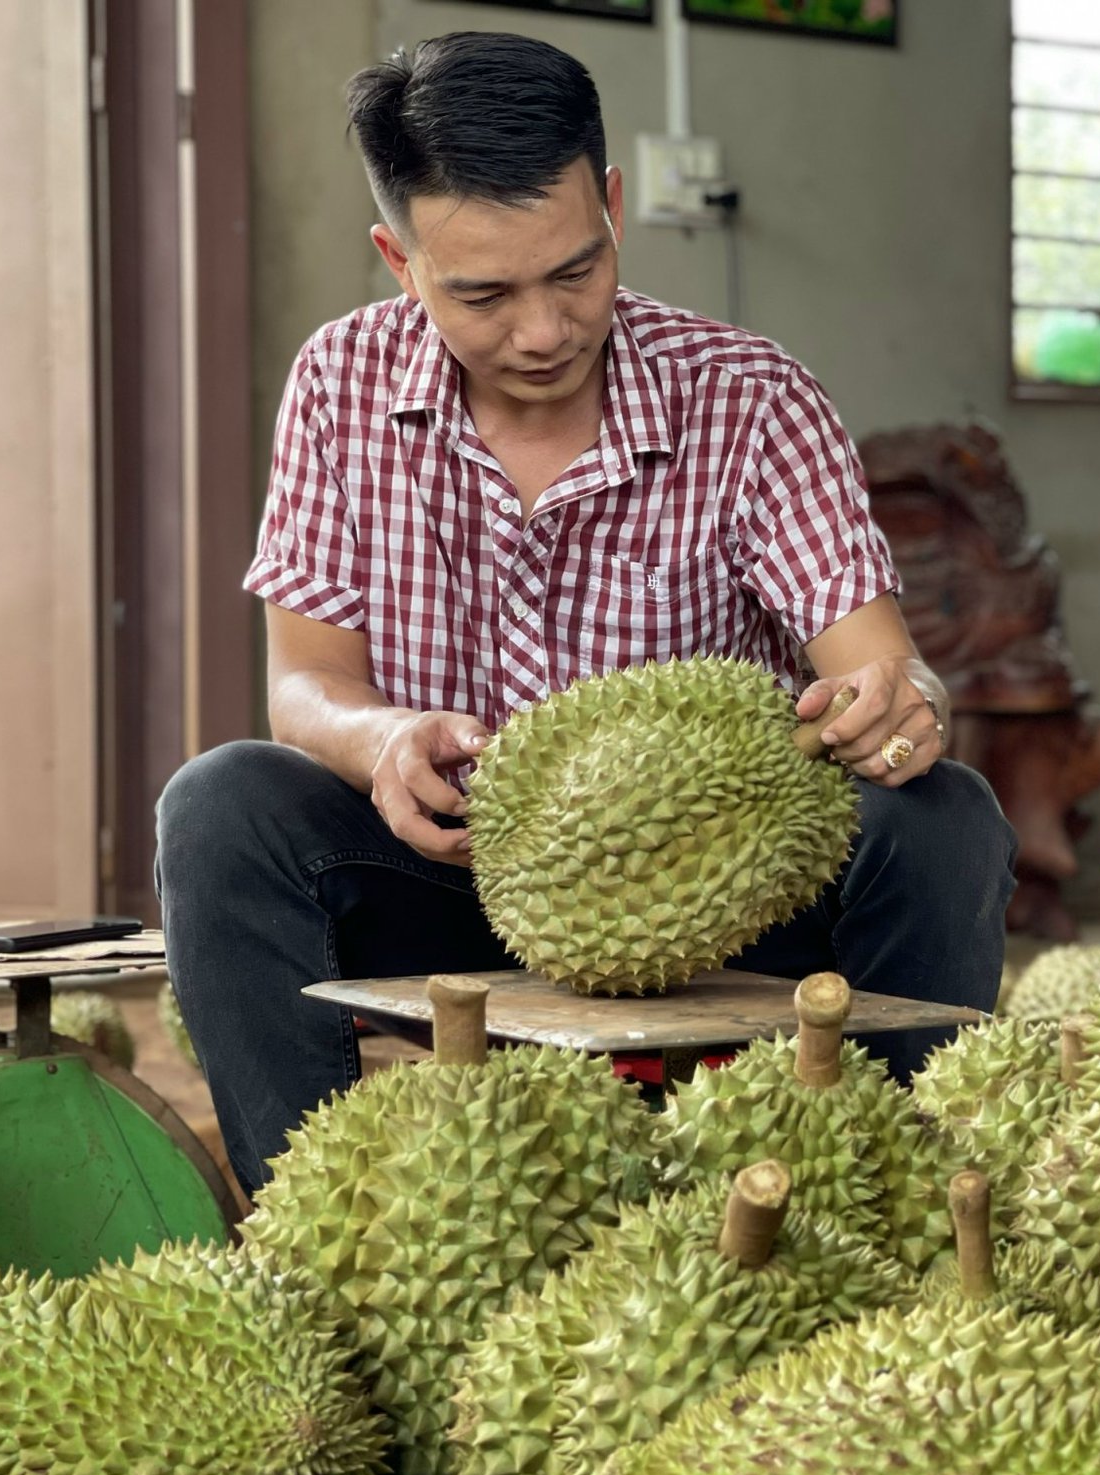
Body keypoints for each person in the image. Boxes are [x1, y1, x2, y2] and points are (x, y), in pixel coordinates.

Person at [156, 30, 1016, 1196]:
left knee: (942, 818)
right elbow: (303, 685)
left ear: (610, 207)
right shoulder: (338, 383)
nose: (544, 331)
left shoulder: (748, 396)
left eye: (574, 271)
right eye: (483, 293)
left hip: (709, 901)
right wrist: (383, 740)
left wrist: (900, 710)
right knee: (220, 807)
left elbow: (890, 675)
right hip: (455, 879)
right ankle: (304, 1235)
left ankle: (907, 1202)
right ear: (397, 262)